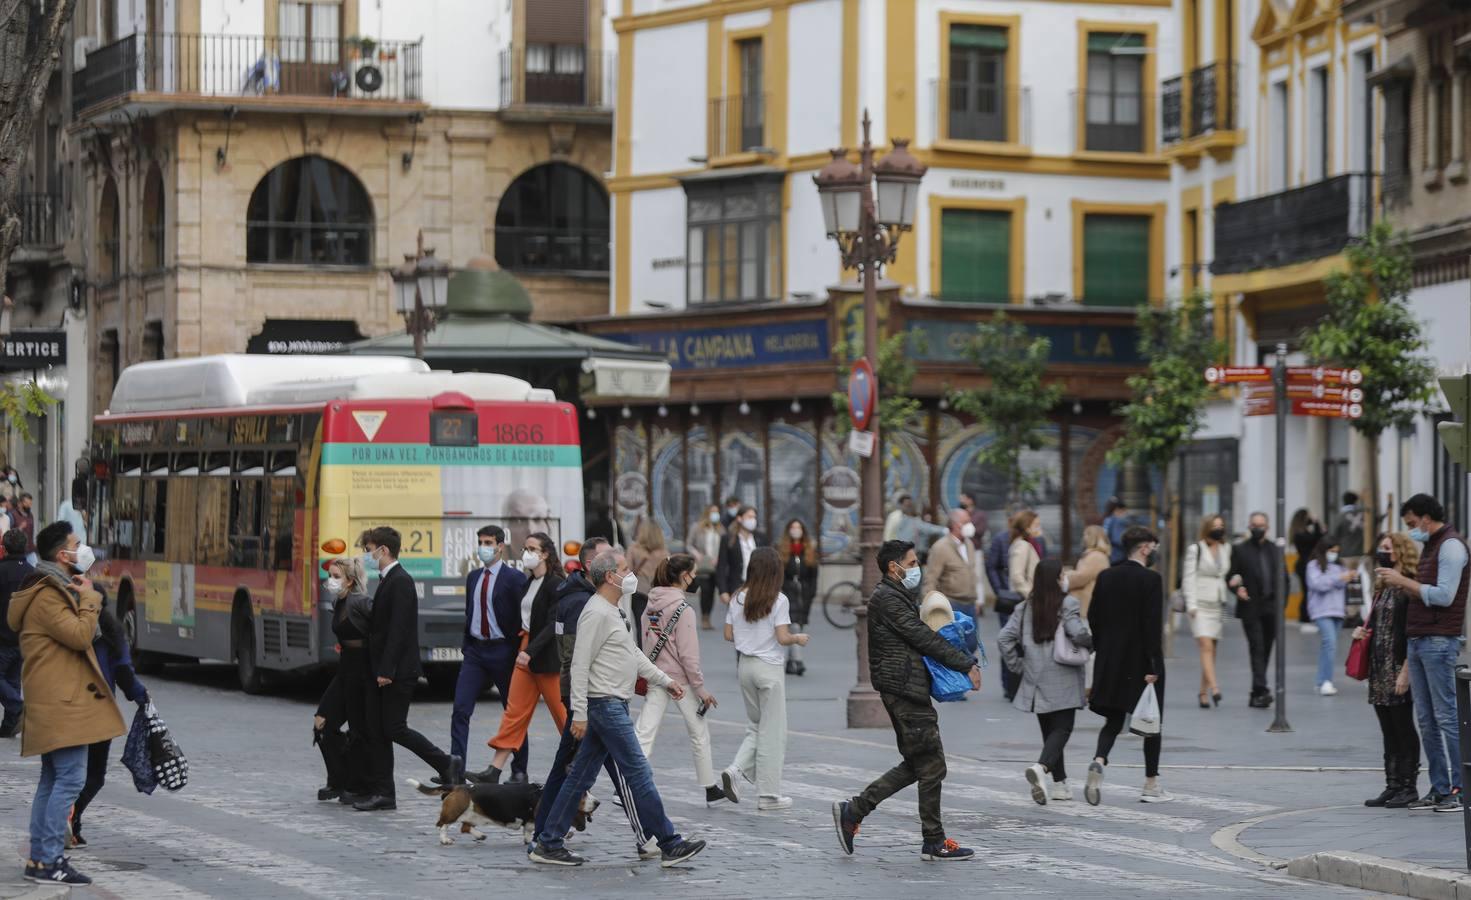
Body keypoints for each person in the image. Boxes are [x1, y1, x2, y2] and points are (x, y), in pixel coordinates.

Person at [530, 548, 707, 868]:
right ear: (611, 577)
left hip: (610, 703)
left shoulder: (611, 610)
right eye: (626, 569)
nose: (632, 575)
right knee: (639, 772)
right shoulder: (596, 612)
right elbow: (580, 664)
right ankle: (669, 842)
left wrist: (665, 680)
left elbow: (632, 654)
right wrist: (580, 713)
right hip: (605, 705)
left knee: (579, 778)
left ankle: (548, 841)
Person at [832, 540, 982, 862]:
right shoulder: (888, 599)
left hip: (905, 688)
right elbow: (922, 637)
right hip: (903, 690)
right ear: (893, 567)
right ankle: (932, 840)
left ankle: (855, 811)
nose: (917, 568)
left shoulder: (896, 595)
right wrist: (965, 663)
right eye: (912, 563)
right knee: (932, 764)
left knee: (919, 764)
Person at [9, 520, 124, 886]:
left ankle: (41, 860)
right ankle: (50, 860)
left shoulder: (48, 587)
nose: (83, 549)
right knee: (70, 779)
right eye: (77, 544)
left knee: (52, 779)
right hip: (62, 704)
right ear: (63, 555)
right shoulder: (47, 593)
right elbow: (78, 635)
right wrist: (90, 598)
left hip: (56, 700)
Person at [533, 536, 650, 855]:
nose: (623, 570)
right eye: (614, 563)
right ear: (594, 568)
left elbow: (626, 648)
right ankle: (652, 836)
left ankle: (544, 836)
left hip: (591, 700)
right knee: (628, 771)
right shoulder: (584, 604)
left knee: (571, 772)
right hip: (595, 700)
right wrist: (580, 708)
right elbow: (576, 660)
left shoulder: (594, 599)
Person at [356, 527, 461, 811]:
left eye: (369, 550)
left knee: (394, 728)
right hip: (386, 669)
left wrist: (386, 669)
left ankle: (445, 762)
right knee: (379, 730)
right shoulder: (388, 580)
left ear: (383, 550)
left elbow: (399, 630)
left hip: (397, 671)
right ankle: (383, 793)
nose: (367, 555)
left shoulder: (400, 581)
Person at [1377, 494, 1466, 812]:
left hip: (1439, 640)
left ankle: (1459, 788)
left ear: (1426, 517)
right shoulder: (1432, 545)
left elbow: (1444, 595)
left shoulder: (1452, 546)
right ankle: (1439, 787)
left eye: (1413, 523)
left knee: (1447, 718)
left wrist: (1404, 582)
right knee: (1427, 721)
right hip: (1419, 639)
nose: (1412, 530)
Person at [635, 554, 727, 805]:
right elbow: (689, 656)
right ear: (683, 576)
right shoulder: (683, 609)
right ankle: (709, 787)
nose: (695, 577)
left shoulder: (650, 603)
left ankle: (628, 784)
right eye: (693, 573)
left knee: (645, 732)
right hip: (681, 682)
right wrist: (701, 689)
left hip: (656, 676)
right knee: (698, 733)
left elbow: (644, 640)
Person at [1085, 526, 1167, 805]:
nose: (1155, 552)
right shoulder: (1151, 580)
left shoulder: (1106, 576)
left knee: (1114, 719)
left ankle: (1098, 760)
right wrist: (1154, 663)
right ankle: (1151, 783)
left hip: (1111, 660)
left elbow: (1093, 617)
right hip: (1142, 662)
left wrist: (1103, 648)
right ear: (1144, 548)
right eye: (1153, 547)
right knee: (1150, 722)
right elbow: (1152, 625)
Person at [720, 547, 807, 810]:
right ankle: (769, 795)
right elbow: (782, 638)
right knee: (773, 732)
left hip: (744, 667)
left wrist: (749, 638)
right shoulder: (778, 600)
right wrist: (797, 638)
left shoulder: (737, 597)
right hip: (768, 668)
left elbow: (727, 634)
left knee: (756, 726)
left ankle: (736, 771)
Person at [999, 558, 1091, 804]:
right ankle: (1042, 768)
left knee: (1050, 731)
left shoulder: (1025, 607)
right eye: (1062, 575)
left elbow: (1003, 639)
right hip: (1063, 675)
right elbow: (1078, 632)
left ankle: (1060, 786)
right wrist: (1091, 642)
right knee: (1063, 728)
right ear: (1056, 579)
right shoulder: (1068, 603)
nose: (1064, 579)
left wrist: (1018, 665)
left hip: (1035, 676)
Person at [482, 533, 567, 783]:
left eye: (532, 549)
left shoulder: (556, 584)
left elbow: (553, 624)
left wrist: (530, 651)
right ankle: (494, 769)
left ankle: (582, 760)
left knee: (563, 715)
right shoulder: (529, 583)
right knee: (514, 712)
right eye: (525, 548)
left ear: (545, 554)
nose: (526, 553)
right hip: (525, 648)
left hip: (545, 656)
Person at [70, 589, 150, 848]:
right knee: (94, 775)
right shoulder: (113, 635)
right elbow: (124, 674)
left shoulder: (69, 630)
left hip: (67, 709)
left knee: (63, 772)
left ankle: (68, 823)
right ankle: (73, 817)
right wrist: (142, 697)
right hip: (97, 710)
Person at [454, 525, 529, 783]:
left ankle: (519, 770)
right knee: (461, 709)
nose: (483, 547)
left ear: (500, 545)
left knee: (513, 712)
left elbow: (523, 618)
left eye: (488, 542)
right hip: (476, 651)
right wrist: (467, 646)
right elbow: (470, 612)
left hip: (503, 651)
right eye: (480, 542)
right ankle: (456, 768)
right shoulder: (473, 576)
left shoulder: (515, 579)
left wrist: (518, 650)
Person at [1358, 532, 1421, 809]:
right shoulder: (1381, 585)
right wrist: (1363, 632)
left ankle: (1408, 786)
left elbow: (1412, 632)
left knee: (1403, 727)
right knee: (1387, 728)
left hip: (1397, 666)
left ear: (1400, 552)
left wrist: (1406, 670)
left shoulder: (1408, 588)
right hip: (1378, 667)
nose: (1383, 552)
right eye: (1381, 547)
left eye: (1388, 548)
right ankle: (1392, 785)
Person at [313, 557, 373, 804]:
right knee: (322, 722)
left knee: (359, 729)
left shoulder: (361, 602)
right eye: (331, 575)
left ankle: (357, 783)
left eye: (337, 576)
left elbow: (381, 630)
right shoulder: (339, 601)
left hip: (362, 672)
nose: (332, 581)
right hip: (345, 669)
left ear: (350, 580)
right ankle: (338, 778)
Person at [1227, 512, 1284, 709]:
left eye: (1261, 525)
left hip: (1272, 607)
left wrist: (1281, 605)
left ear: (1267, 527)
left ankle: (1256, 693)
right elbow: (1231, 576)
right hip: (1251, 606)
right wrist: (1236, 589)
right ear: (1249, 527)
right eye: (1254, 525)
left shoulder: (1276, 550)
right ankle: (1262, 689)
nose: (1258, 528)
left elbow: (1283, 577)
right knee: (1257, 647)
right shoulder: (1240, 550)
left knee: (1266, 649)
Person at [1183, 515, 1232, 708]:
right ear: (1206, 528)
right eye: (1215, 526)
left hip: (1217, 604)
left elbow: (1228, 573)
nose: (1219, 529)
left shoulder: (1226, 548)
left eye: (1221, 525)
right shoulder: (1195, 549)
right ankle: (1215, 688)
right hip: (1200, 605)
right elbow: (1188, 578)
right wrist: (1191, 605)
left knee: (1212, 650)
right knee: (1205, 646)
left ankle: (1203, 692)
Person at [1305, 537, 1353, 696]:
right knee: (1330, 643)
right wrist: (1338, 578)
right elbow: (1318, 584)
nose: (1334, 554)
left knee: (1328, 646)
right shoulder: (1313, 566)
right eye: (1331, 551)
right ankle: (1326, 681)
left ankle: (1321, 680)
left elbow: (1339, 585)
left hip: (1337, 610)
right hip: (1321, 610)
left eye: (1336, 552)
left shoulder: (1339, 566)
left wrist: (1346, 577)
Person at [0, 528, 31, 738]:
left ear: (4, 547)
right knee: (12, 680)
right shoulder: (31, 571)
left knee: (7, 681)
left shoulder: (1, 570)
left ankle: (17, 705)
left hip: (2, 636)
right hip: (23, 637)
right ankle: (9, 725)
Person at [777, 519, 818, 676]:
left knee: (798, 626)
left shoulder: (809, 551)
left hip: (804, 594)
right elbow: (780, 574)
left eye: (798, 527)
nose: (796, 530)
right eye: (793, 527)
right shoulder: (782, 550)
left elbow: (814, 575)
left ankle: (790, 662)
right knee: (793, 626)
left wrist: (811, 592)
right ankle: (798, 661)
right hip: (788, 592)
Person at [922, 509, 979, 617]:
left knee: (972, 634)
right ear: (956, 525)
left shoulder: (969, 544)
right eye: (966, 522)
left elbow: (971, 573)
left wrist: (976, 601)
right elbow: (931, 579)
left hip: (970, 604)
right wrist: (932, 609)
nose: (970, 525)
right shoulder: (940, 547)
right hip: (951, 605)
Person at [716, 505, 767, 604]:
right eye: (749, 517)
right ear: (739, 518)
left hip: (758, 587)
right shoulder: (728, 539)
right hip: (737, 587)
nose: (753, 520)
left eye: (754, 517)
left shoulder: (761, 538)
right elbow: (721, 566)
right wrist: (723, 591)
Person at [686, 504, 725, 630]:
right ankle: (704, 617)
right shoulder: (697, 527)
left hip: (717, 565)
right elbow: (689, 544)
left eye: (717, 512)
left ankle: (708, 616)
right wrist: (697, 554)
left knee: (712, 591)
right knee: (705, 590)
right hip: (703, 564)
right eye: (713, 512)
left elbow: (724, 546)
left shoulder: (721, 529)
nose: (715, 515)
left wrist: (720, 557)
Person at [1291, 508, 1327, 628]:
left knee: (1309, 591)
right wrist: (1316, 523)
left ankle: (1308, 615)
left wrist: (1319, 527)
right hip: (1304, 565)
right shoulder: (1300, 535)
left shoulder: (1302, 533)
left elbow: (1319, 538)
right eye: (1308, 517)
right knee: (1307, 591)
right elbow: (1315, 539)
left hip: (1307, 564)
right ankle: (1305, 615)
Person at [1068, 525, 1112, 618]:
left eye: (1087, 534)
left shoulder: (1096, 556)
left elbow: (1082, 577)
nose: (1084, 537)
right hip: (1085, 601)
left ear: (1095, 538)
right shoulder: (1092, 555)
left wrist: (1066, 578)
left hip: (1087, 603)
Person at [629, 519, 670, 596]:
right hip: (658, 592)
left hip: (639, 590)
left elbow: (627, 572)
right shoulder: (664, 553)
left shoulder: (633, 550)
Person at [1102, 498, 1130, 564]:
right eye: (1124, 511)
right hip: (1118, 556)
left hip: (1109, 555)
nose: (1126, 513)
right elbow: (1118, 539)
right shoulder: (1117, 521)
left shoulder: (1107, 520)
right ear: (1118, 510)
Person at [13, 492, 36, 563]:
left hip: (30, 550)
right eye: (27, 503)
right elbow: (8, 533)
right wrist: (20, 528)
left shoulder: (30, 515)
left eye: (30, 504)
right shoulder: (12, 515)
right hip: (18, 552)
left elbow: (32, 531)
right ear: (20, 503)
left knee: (34, 569)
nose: (29, 506)